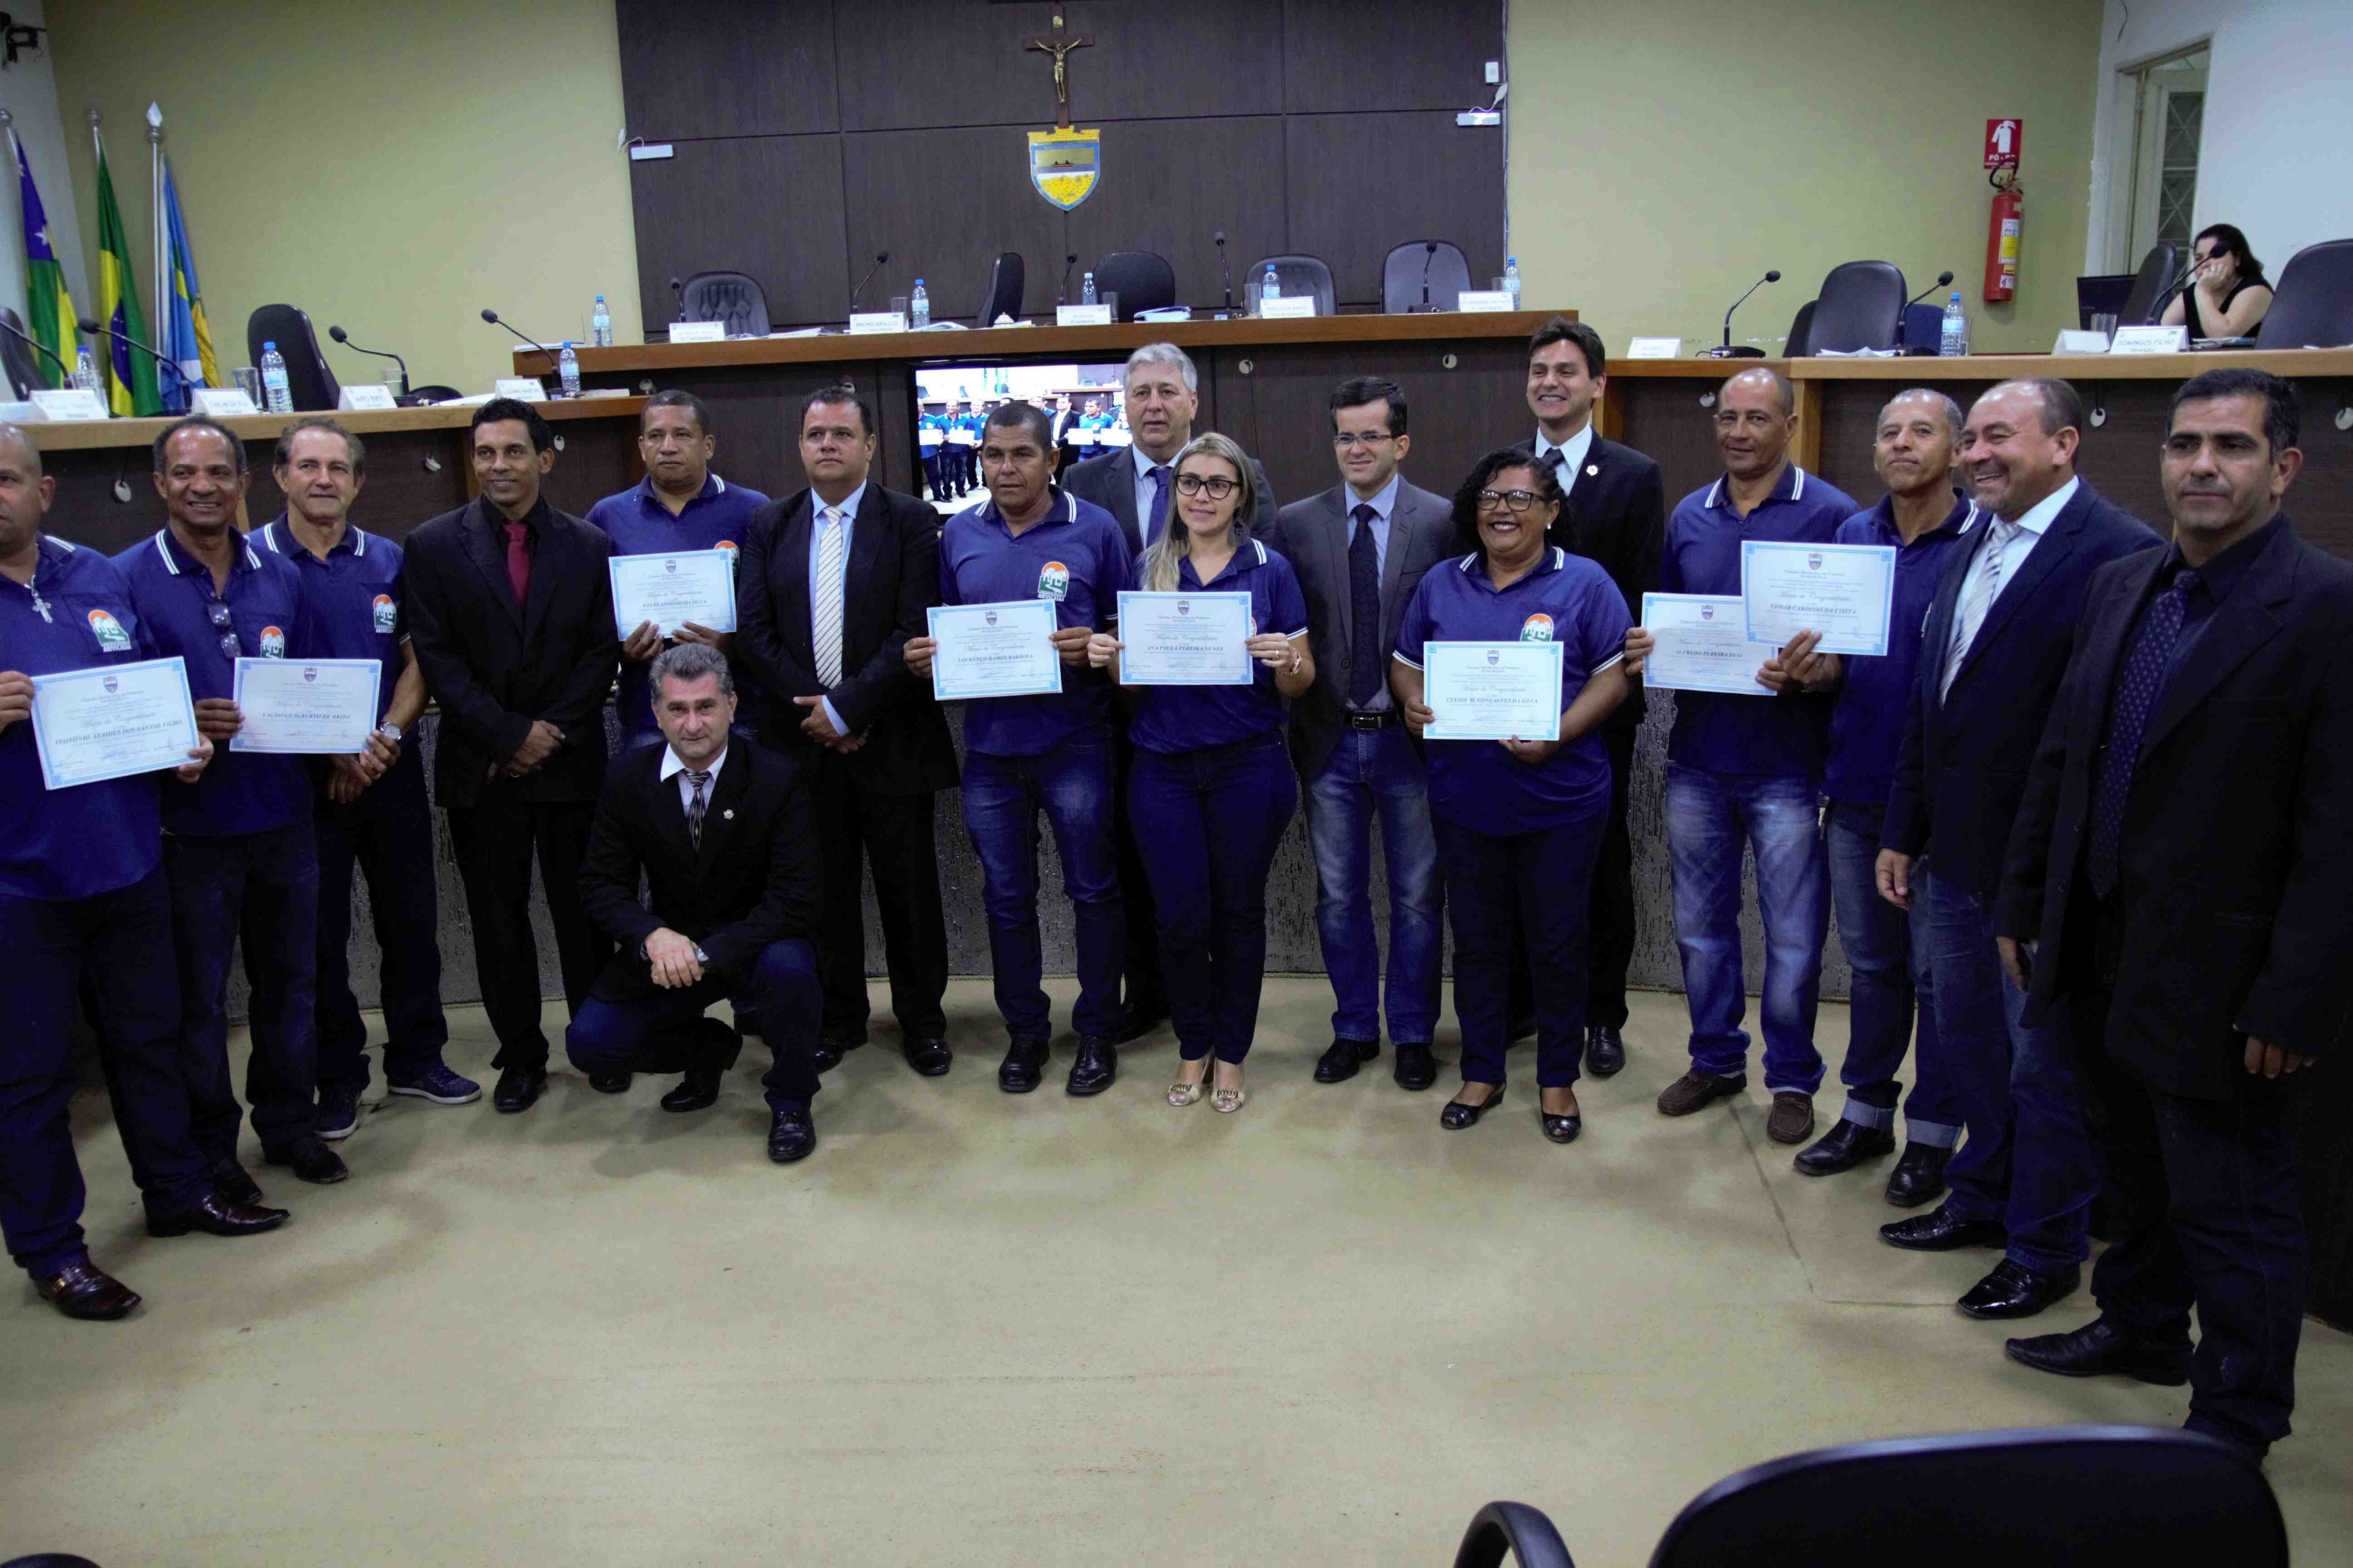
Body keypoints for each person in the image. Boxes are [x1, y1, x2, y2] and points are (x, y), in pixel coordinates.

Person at [1997, 369, 2348, 1459]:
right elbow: (2064, 755)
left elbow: (2339, 832)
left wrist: (2293, 997)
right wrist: (2025, 897)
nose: (2202, 464)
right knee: (2133, 1171)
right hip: (2099, 942)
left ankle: (2238, 1414)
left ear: (2283, 468)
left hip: (2227, 975)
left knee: (2232, 1201)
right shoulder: (2124, 586)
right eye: (2184, 443)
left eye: (2232, 446)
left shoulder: (2327, 608)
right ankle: (2144, 1327)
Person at [1875, 378, 2159, 1322]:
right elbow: (1934, 704)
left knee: (2047, 1070)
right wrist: (1903, 829)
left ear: (2064, 443)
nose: (1976, 455)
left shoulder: (2120, 554)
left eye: (1999, 436)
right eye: (1973, 441)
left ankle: (2046, 1248)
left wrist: (2044, 879)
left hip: (2043, 876)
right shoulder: (1975, 540)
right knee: (1972, 1047)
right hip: (1954, 860)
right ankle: (1983, 1197)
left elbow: (2102, 741)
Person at [1, 424, 285, 1320]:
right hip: (18, 885)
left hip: (128, 862)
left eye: (6, 479)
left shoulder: (95, 575)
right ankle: (54, 1250)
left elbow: (135, 696)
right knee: (31, 1078)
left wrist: (179, 746)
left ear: (43, 492)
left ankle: (175, 1189)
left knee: (151, 1042)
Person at [115, 417, 372, 1193]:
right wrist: (180, 720)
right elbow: (113, 705)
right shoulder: (125, 579)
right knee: (199, 1003)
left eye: (219, 473)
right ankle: (213, 1151)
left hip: (284, 818)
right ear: (160, 484)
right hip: (186, 830)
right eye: (185, 474)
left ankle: (289, 1124)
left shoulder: (278, 575)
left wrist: (340, 739)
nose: (203, 487)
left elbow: (306, 681)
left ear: (244, 483)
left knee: (291, 984)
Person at [1623, 368, 1853, 1145]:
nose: (1739, 432)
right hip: (1696, 757)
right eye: (1727, 417)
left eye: (1756, 418)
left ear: (1788, 425)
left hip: (1788, 764)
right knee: (1698, 928)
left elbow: (1853, 650)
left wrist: (1821, 672)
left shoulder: (1833, 516)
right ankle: (1715, 1059)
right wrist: (1650, 645)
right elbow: (1669, 621)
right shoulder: (1690, 515)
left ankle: (1790, 1078)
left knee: (1791, 937)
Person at [1392, 449, 1632, 1142]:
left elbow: (1613, 676)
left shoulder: (1585, 581)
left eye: (1520, 498)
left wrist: (1559, 732)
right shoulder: (1442, 582)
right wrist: (1413, 703)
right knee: (1476, 942)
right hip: (1465, 799)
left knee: (1557, 941)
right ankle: (1482, 1070)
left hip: (1561, 801)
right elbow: (1405, 664)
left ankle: (1556, 1078)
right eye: (1490, 497)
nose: (1502, 510)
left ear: (1551, 512)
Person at [1771, 392, 1973, 1203]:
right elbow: (1840, 666)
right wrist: (1809, 673)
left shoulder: (1982, 542)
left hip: (1947, 805)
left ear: (1956, 449)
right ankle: (1865, 1113)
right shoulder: (1853, 537)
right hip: (1856, 792)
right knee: (1872, 967)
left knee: (1939, 979)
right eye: (1889, 432)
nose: (1901, 444)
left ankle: (1934, 1133)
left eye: (1921, 431)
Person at [253, 417, 476, 1137]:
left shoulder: (388, 559)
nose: (323, 479)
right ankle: (338, 1076)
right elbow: (257, 679)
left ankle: (417, 1057)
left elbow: (418, 663)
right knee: (318, 939)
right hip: (299, 784)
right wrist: (332, 755)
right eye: (308, 466)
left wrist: (382, 741)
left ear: (357, 481)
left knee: (410, 922)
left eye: (338, 468)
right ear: (281, 475)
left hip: (390, 770)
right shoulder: (252, 562)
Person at [904, 401, 1130, 1095]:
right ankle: (1025, 1032)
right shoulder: (957, 534)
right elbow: (950, 629)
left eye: (1021, 454)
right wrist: (929, 659)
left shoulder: (1096, 528)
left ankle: (1097, 1029)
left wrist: (1096, 647)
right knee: (1006, 897)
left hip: (1076, 742)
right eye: (993, 455)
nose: (1005, 468)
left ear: (1052, 459)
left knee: (1092, 891)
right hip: (991, 752)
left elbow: (1125, 632)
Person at [403, 399, 620, 1114]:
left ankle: (597, 1043)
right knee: (498, 922)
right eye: (486, 452)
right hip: (482, 767)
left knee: (584, 914)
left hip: (570, 762)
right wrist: (509, 735)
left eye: (514, 451)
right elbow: (437, 655)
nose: (498, 465)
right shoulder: (432, 544)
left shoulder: (589, 544)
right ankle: (521, 1057)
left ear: (544, 458)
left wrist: (548, 732)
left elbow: (600, 651)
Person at [1087, 434, 1311, 1113]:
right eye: (1190, 483)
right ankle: (1194, 1044)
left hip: (1248, 765)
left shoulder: (1270, 568)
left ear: (1240, 495)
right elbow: (1133, 682)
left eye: (1218, 484)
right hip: (1163, 769)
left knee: (1238, 913)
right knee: (1179, 918)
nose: (1202, 496)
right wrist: (1108, 657)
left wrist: (1287, 661)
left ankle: (1232, 1053)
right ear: (1174, 492)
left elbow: (1301, 680)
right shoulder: (1147, 566)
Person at [738, 385, 958, 1077]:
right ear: (801, 446)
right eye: (815, 434)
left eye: (841, 434)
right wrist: (818, 715)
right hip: (801, 747)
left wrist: (846, 711)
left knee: (909, 894)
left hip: (892, 739)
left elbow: (913, 629)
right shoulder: (769, 524)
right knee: (823, 896)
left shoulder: (912, 519)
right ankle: (838, 1019)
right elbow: (754, 633)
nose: (827, 445)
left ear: (869, 445)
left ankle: (922, 1022)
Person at [1063, 343, 1277, 1044]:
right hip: (1119, 711)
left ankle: (1217, 1005)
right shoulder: (1084, 480)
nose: (1152, 405)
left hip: (1219, 716)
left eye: (1165, 391)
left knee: (1219, 883)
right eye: (1139, 392)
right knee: (1134, 865)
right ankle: (1148, 992)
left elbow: (1262, 576)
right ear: (1122, 404)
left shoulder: (1242, 475)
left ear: (1191, 401)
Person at [1263, 377, 1453, 1090]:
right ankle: (1352, 1028)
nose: (1356, 449)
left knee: (1416, 898)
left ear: (1400, 443)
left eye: (1371, 435)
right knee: (1338, 898)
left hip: (1410, 740)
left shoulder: (1441, 521)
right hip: (1329, 739)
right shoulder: (1295, 523)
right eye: (1345, 436)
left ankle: (1412, 1032)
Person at [565, 643, 828, 1160]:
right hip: (672, 946)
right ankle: (710, 1050)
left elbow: (797, 898)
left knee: (793, 972)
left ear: (731, 704)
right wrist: (651, 936)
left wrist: (710, 954)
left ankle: (791, 1101)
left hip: (757, 942)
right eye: (678, 709)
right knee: (591, 1044)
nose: (692, 725)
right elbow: (601, 883)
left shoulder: (777, 776)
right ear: (656, 712)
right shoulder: (628, 777)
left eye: (705, 706)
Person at [1508, 317, 1664, 1076]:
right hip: (1513, 701)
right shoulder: (1506, 471)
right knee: (1512, 858)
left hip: (1600, 708)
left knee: (1601, 864)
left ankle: (1602, 1013)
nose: (1550, 383)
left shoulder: (1632, 474)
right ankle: (1522, 1003)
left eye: (1566, 371)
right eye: (1539, 371)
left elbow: (1639, 591)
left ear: (1597, 384)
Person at [585, 390, 771, 748]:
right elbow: (589, 617)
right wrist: (623, 649)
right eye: (656, 436)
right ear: (642, 447)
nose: (668, 447)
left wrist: (732, 644)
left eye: (682, 435)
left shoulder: (754, 510)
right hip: (647, 716)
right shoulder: (607, 516)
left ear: (708, 445)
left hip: (738, 714)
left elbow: (775, 610)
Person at [2160, 223, 2273, 341]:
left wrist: (2203, 291)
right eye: (2198, 258)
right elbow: (2163, 331)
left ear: (2237, 259)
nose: (2205, 264)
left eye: (2215, 256)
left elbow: (2221, 337)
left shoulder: (2256, 290)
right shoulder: (2195, 291)